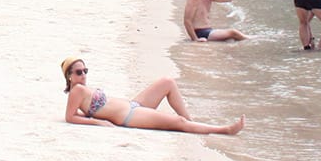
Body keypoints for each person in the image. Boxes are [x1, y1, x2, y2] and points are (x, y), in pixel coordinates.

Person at [59, 57, 242, 134]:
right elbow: (70, 117)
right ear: (69, 76)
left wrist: (92, 115)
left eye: (85, 70)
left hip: (133, 105)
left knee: (167, 82)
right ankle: (224, 130)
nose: (83, 75)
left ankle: (191, 122)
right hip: (130, 116)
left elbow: (80, 113)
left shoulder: (82, 89)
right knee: (178, 123)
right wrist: (99, 122)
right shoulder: (77, 91)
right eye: (78, 72)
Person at [182, 0, 248, 42]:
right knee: (233, 32)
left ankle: (249, 40)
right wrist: (195, 39)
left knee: (232, 39)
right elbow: (187, 21)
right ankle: (253, 39)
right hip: (200, 32)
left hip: (209, 30)